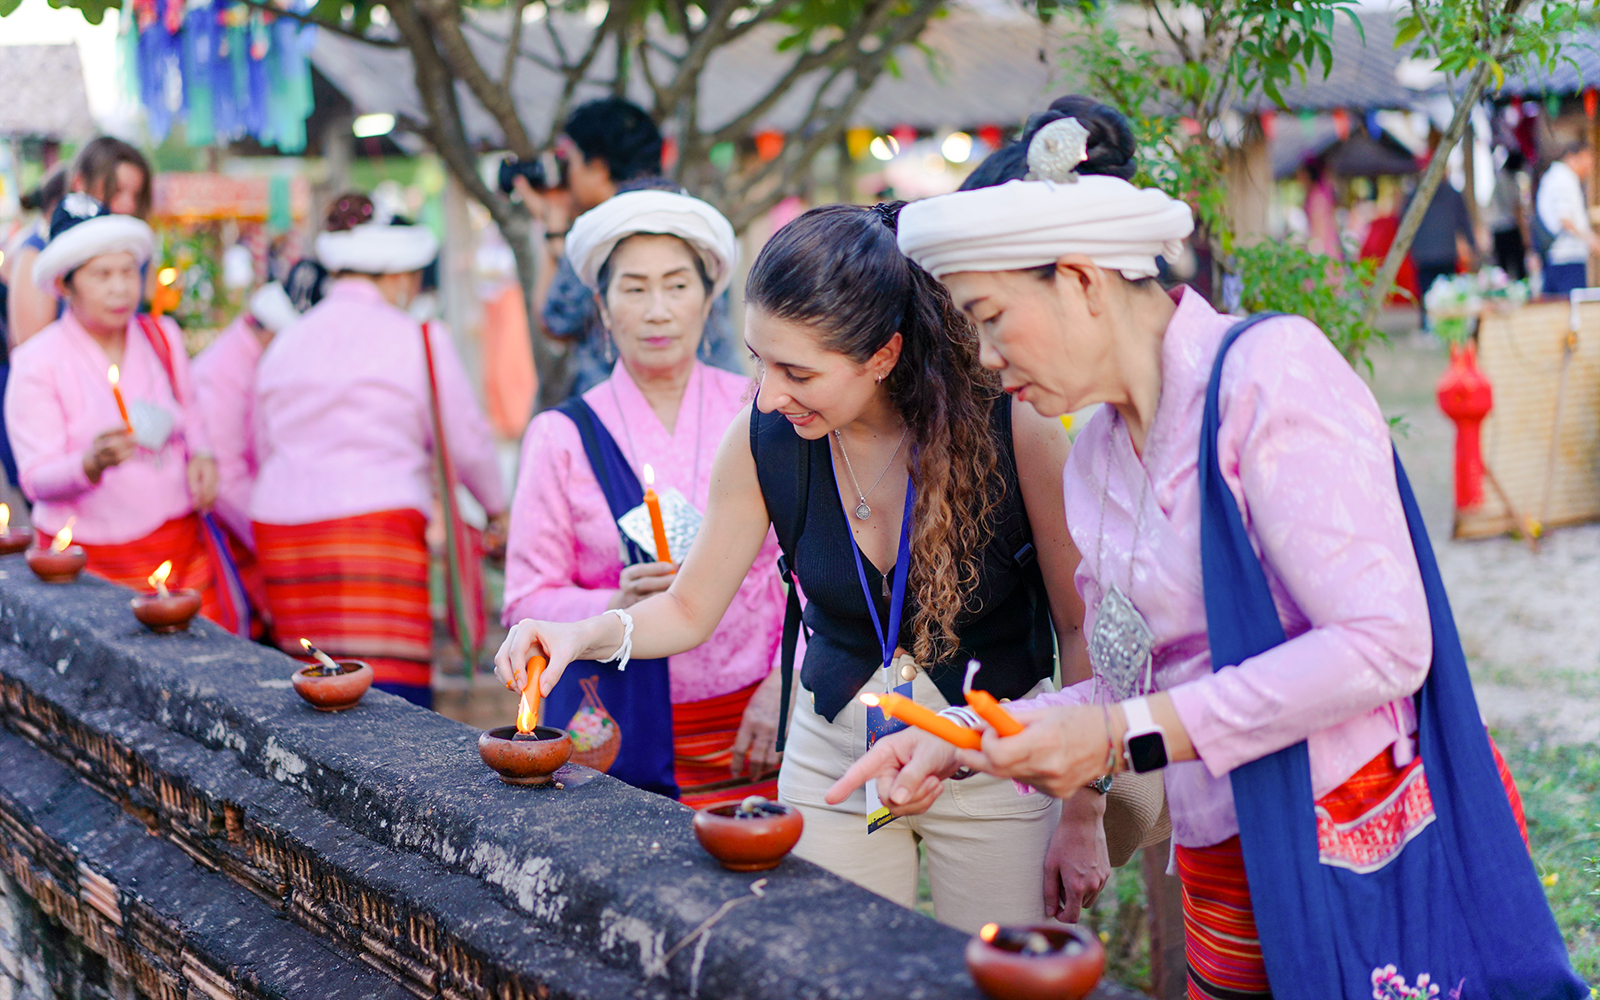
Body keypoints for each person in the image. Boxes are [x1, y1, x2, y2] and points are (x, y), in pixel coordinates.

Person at [830, 104, 1581, 997]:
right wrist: (966, 740)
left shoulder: (1270, 376)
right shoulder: (1099, 454)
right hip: (1222, 857)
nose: (986, 359)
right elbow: (1136, 681)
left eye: (992, 318)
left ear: (1080, 278)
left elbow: (1384, 641)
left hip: (1354, 841)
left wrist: (1116, 734)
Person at [497, 201, 1095, 933]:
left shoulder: (1013, 426)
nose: (769, 393)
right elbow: (688, 608)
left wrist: (1084, 813)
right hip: (832, 760)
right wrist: (579, 635)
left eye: (797, 371)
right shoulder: (765, 436)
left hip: (991, 758)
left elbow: (1079, 621)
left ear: (883, 355)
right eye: (757, 360)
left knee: (1003, 971)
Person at [502, 189, 787, 806]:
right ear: (603, 308)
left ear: (709, 298)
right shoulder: (563, 436)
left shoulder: (766, 410)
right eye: (634, 289)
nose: (658, 310)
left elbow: (817, 569)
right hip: (622, 723)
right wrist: (615, 600)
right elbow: (525, 597)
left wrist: (784, 686)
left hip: (756, 718)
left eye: (677, 286)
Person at [251, 195, 509, 708]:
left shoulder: (287, 341)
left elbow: (263, 442)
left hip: (285, 539)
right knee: (390, 705)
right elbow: (468, 441)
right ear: (398, 276)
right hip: (376, 534)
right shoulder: (419, 337)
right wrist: (499, 508)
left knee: (311, 697)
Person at [5, 194, 235, 621]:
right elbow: (35, 478)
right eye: (102, 274)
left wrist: (202, 455)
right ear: (63, 285)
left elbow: (193, 414)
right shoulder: (37, 363)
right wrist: (88, 465)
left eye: (128, 271)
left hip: (178, 543)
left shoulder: (161, 336)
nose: (120, 287)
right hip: (88, 558)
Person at [511, 98, 744, 396]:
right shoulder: (692, 219)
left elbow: (555, 322)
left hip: (623, 421)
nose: (564, 175)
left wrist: (553, 224)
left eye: (568, 161)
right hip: (719, 404)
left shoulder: (604, 230)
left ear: (597, 167)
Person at [190, 282, 301, 637]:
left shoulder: (248, 359)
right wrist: (271, 538)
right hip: (231, 523)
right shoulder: (221, 372)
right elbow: (225, 478)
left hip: (250, 513)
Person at [9, 139, 153, 347]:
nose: (129, 205)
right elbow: (31, 349)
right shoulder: (39, 251)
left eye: (136, 195)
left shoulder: (136, 253)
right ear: (80, 184)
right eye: (117, 190)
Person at [1405, 172, 1474, 328]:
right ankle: (1448, 326)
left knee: (1427, 292)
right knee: (1447, 292)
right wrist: (1472, 243)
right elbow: (1464, 220)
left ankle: (1428, 326)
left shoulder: (1415, 194)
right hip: (1445, 251)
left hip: (1424, 252)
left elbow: (1403, 221)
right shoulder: (1452, 193)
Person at [1536, 138, 1600, 297]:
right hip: (1565, 259)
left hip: (1562, 259)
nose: (1590, 166)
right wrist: (1592, 240)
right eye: (1588, 159)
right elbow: (1565, 220)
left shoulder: (1559, 177)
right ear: (1574, 157)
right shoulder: (1563, 178)